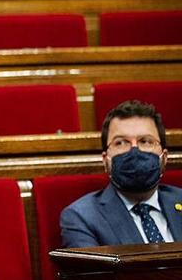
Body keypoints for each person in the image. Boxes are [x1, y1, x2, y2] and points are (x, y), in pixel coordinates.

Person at [61, 100, 182, 248]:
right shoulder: (82, 217)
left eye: (145, 141)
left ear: (164, 158)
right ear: (106, 160)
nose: (135, 151)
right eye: (121, 143)